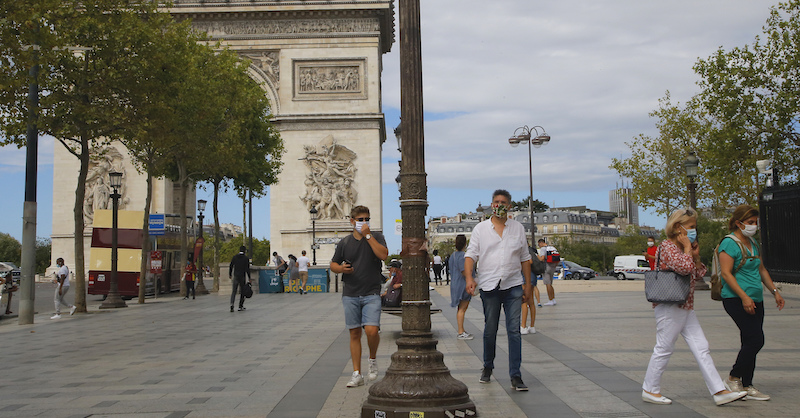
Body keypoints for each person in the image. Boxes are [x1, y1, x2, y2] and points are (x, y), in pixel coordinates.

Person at [642, 208, 746, 406]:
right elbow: (684, 268)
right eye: (690, 227)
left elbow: (699, 273)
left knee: (701, 347)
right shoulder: (667, 246)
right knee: (664, 347)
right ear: (677, 227)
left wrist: (695, 255)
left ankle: (719, 391)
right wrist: (688, 250)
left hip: (685, 305)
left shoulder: (681, 248)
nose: (693, 231)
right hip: (670, 305)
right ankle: (650, 389)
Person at [465, 189, 531, 391]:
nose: (499, 205)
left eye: (503, 202)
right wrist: (469, 277)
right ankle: (487, 366)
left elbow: (525, 258)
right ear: (491, 204)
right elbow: (471, 255)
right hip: (489, 285)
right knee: (490, 329)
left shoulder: (517, 228)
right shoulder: (481, 229)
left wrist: (527, 284)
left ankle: (516, 375)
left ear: (509, 206)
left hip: (512, 285)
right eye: (496, 202)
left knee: (514, 331)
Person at [719, 204, 785, 401]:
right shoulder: (729, 243)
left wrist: (774, 291)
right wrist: (744, 297)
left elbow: (761, 269)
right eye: (750, 222)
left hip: (756, 299)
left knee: (749, 341)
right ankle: (733, 377)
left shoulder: (753, 243)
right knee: (756, 339)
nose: (754, 226)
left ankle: (747, 385)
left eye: (755, 222)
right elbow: (726, 273)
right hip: (736, 299)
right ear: (738, 223)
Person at [330, 205, 388, 388]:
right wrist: (340, 269)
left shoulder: (376, 236)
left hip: (371, 292)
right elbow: (333, 264)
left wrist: (368, 235)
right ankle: (357, 373)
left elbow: (383, 255)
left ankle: (372, 359)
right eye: (360, 219)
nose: (364, 222)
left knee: (371, 330)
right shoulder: (345, 242)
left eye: (367, 219)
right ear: (352, 221)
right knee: (354, 332)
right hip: (351, 293)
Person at [449, 234, 473, 340]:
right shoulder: (463, 256)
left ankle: (461, 329)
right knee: (463, 308)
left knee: (460, 308)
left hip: (454, 283)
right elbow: (464, 270)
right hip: (462, 284)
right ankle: (460, 331)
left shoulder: (452, 256)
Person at [536, 239, 559, 305]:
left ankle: (550, 300)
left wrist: (537, 256)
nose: (539, 246)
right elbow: (558, 259)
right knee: (550, 284)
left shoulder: (543, 249)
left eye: (538, 244)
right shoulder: (552, 248)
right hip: (553, 267)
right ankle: (553, 299)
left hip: (546, 267)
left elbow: (542, 258)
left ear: (540, 243)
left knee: (547, 284)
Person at [229, 246, 252, 312]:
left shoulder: (235, 257)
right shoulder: (245, 258)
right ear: (244, 251)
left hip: (236, 275)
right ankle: (240, 306)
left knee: (234, 291)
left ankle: (232, 304)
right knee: (242, 291)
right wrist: (249, 277)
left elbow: (231, 266)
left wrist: (230, 274)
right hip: (242, 276)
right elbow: (247, 269)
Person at [521, 247, 537, 335]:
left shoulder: (524, 251)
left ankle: (523, 326)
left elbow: (529, 262)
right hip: (532, 276)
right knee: (531, 302)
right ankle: (532, 326)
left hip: (525, 276)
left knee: (524, 301)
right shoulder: (531, 250)